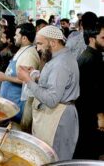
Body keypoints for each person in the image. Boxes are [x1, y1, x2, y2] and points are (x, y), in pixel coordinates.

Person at [17, 25, 79, 160]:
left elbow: (51, 99)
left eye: (40, 44)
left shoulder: (61, 63)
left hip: (59, 117)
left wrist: (28, 80)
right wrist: (36, 75)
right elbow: (54, 82)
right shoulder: (58, 58)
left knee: (55, 158)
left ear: (53, 42)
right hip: (55, 114)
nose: (37, 48)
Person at [0, 23, 40, 122]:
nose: (14, 37)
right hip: (9, 103)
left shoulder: (29, 54)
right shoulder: (23, 50)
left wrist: (5, 78)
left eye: (17, 35)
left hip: (16, 105)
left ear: (24, 38)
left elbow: (27, 79)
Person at [74, 15, 104, 159]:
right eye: (103, 38)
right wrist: (100, 115)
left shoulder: (92, 55)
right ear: (92, 38)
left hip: (85, 115)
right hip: (88, 116)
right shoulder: (91, 59)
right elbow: (91, 92)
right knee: (88, 152)